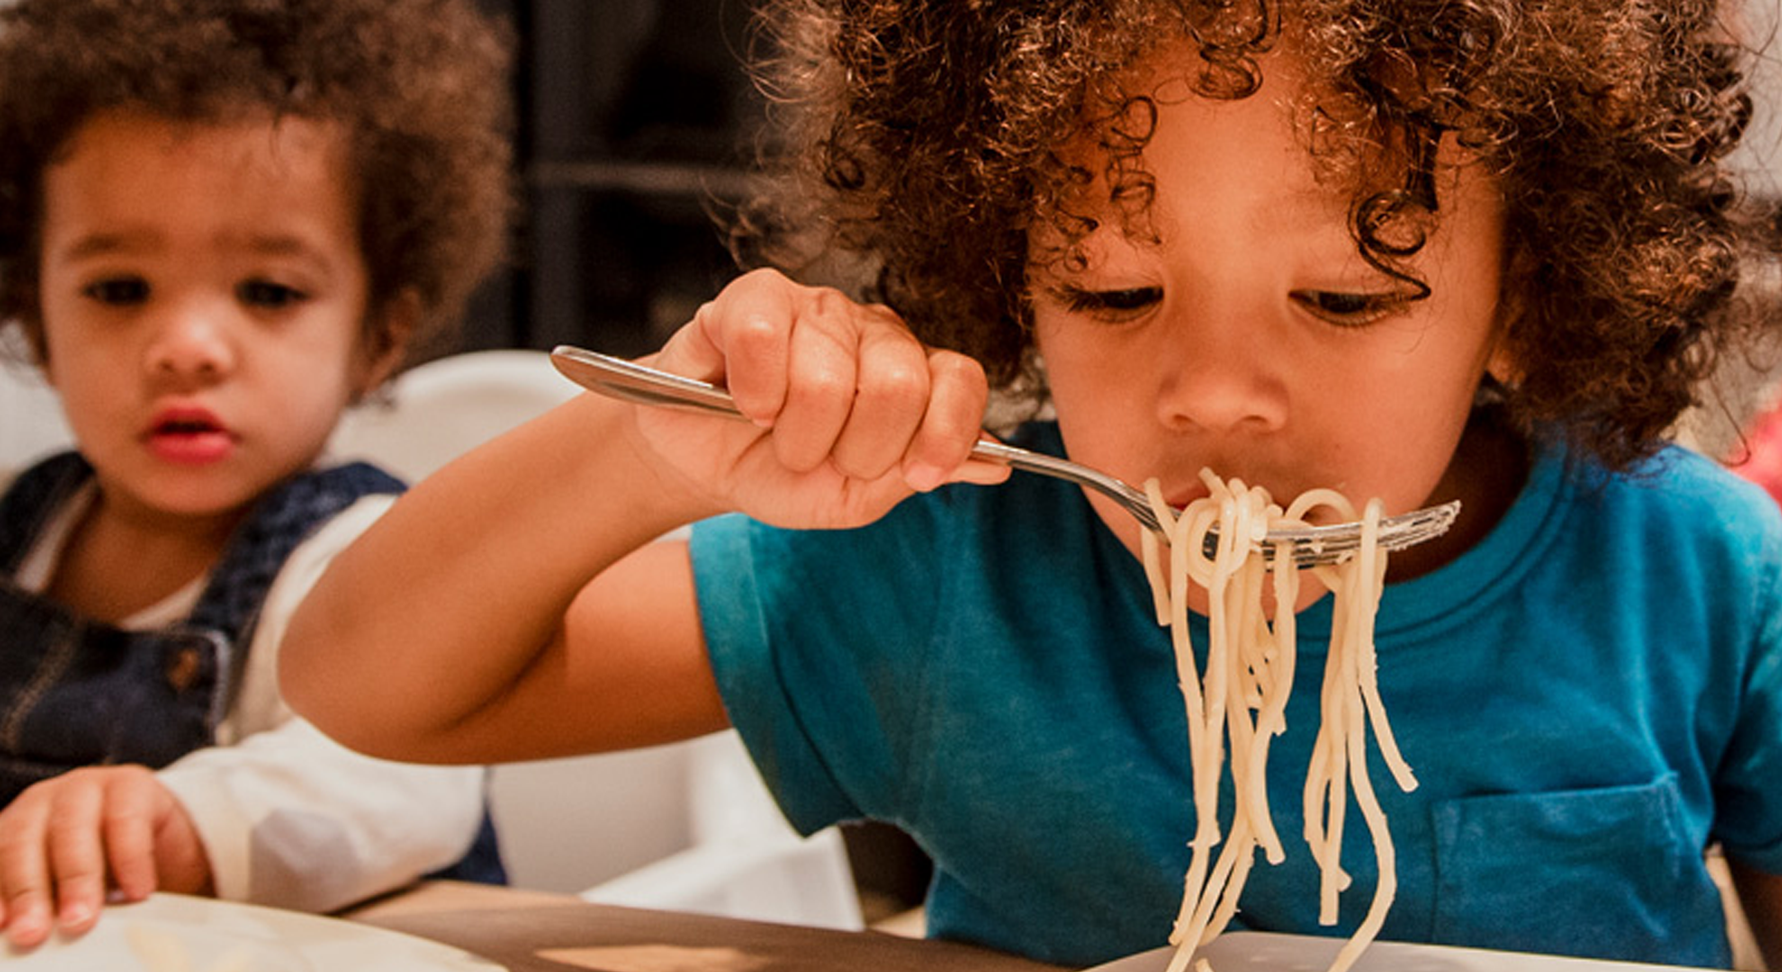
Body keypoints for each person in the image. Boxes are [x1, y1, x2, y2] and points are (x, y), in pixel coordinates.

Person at [281, 0, 1782, 968]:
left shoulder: (1697, 576)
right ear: (1004, 277)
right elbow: (375, 689)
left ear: (1522, 296)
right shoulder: (951, 571)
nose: (1206, 392)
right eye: (1117, 298)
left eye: (1340, 302)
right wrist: (647, 450)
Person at [0, 0, 515, 949]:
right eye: (120, 290)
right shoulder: (19, 520)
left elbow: (394, 784)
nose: (187, 348)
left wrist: (182, 823)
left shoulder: (365, 558)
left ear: (379, 338)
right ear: (36, 321)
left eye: (267, 293)